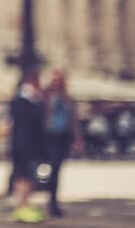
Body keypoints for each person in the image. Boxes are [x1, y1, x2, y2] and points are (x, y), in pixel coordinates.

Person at [42, 70, 81, 217]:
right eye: (54, 80)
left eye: (59, 80)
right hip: (49, 137)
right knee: (53, 169)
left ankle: (53, 202)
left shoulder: (67, 98)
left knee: (57, 170)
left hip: (63, 137)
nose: (56, 83)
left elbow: (73, 120)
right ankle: (50, 201)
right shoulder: (45, 96)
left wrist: (77, 139)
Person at [9, 70, 46, 223]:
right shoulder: (26, 101)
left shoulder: (19, 100)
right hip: (26, 146)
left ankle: (23, 205)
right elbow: (32, 125)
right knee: (25, 177)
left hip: (21, 145)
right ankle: (22, 207)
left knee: (23, 176)